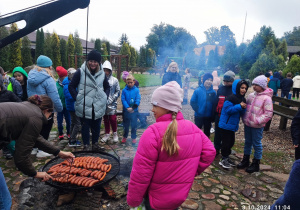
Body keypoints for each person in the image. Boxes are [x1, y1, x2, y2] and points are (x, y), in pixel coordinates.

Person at [127, 81, 216, 209]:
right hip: (179, 197)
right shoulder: (193, 128)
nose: (152, 109)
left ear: (166, 106)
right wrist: (191, 171)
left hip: (155, 200)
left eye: (155, 105)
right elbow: (210, 152)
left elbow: (141, 175)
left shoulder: (152, 133)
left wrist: (133, 201)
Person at [0, 95, 75, 210]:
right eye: (51, 114)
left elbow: (35, 138)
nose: (50, 117)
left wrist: (58, 152)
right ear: (46, 110)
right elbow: (21, 157)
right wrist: (35, 174)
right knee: (2, 195)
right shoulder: (36, 117)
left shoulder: (28, 107)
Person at [68, 50, 110, 151]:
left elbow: (107, 87)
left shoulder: (102, 74)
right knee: (85, 127)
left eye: (95, 61)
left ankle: (95, 144)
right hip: (84, 106)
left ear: (99, 63)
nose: (93, 63)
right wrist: (77, 98)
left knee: (97, 126)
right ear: (87, 61)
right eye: (91, 61)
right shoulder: (80, 72)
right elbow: (71, 86)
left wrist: (105, 97)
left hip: (98, 105)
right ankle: (86, 145)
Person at [27, 55, 63, 158]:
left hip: (33, 107)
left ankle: (33, 148)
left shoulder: (30, 76)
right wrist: (59, 108)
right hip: (45, 108)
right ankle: (41, 150)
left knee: (35, 128)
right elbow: (54, 97)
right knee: (46, 127)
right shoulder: (48, 79)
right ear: (49, 67)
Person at [238, 75, 273, 173]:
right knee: (247, 142)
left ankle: (256, 163)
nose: (254, 87)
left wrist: (257, 120)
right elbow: (247, 107)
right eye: (253, 84)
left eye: (256, 85)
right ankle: (245, 160)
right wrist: (244, 117)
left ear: (262, 86)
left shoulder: (267, 98)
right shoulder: (251, 96)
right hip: (248, 124)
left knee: (256, 144)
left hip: (257, 126)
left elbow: (268, 114)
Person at [219, 79, 248, 169]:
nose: (244, 90)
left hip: (232, 125)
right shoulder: (230, 98)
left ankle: (227, 157)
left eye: (245, 88)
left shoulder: (242, 99)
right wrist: (239, 106)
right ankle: (223, 159)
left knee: (231, 142)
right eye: (242, 88)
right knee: (226, 143)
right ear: (237, 87)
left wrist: (243, 108)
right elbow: (228, 110)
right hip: (226, 125)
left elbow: (241, 112)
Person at [0, 74, 22, 160]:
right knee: (4, 138)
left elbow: (19, 103)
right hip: (1, 124)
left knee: (13, 139)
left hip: (10, 122)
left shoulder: (8, 94)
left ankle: (18, 156)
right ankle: (6, 151)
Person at [214, 70, 235, 156]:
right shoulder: (220, 89)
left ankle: (226, 148)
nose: (226, 82)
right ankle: (216, 148)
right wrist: (214, 113)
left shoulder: (234, 90)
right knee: (218, 133)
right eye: (225, 81)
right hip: (219, 115)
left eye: (228, 81)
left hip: (228, 117)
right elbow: (216, 101)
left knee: (228, 134)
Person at [190, 73, 217, 138]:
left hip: (208, 116)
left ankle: (206, 145)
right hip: (199, 115)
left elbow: (214, 104)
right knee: (197, 131)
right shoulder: (198, 90)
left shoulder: (213, 92)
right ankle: (196, 143)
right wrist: (197, 109)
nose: (209, 82)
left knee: (207, 132)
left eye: (211, 80)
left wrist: (213, 114)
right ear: (204, 80)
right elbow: (192, 101)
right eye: (207, 80)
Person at [101, 60, 120, 143]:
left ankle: (115, 133)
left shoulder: (115, 80)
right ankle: (107, 134)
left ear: (110, 71)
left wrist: (112, 99)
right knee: (105, 119)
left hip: (112, 103)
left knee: (112, 118)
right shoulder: (100, 80)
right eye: (104, 70)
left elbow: (118, 91)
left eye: (107, 70)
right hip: (103, 103)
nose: (105, 72)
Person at [62, 68, 82, 147]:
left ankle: (71, 138)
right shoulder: (67, 84)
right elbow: (70, 96)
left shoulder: (69, 83)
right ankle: (72, 140)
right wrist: (78, 95)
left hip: (73, 106)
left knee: (73, 122)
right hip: (73, 106)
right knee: (77, 123)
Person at [121, 75, 141, 145]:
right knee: (126, 125)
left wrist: (133, 108)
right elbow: (123, 100)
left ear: (134, 82)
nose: (129, 84)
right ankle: (125, 136)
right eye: (128, 82)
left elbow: (138, 99)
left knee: (134, 125)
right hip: (126, 111)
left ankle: (133, 137)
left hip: (134, 111)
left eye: (131, 82)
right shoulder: (124, 90)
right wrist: (127, 108)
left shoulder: (136, 90)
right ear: (126, 82)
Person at [56, 66, 71, 140]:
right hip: (60, 106)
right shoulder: (56, 85)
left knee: (69, 120)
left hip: (67, 105)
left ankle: (69, 132)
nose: (65, 78)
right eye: (64, 76)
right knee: (59, 121)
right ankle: (60, 133)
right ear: (61, 77)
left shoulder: (69, 83)